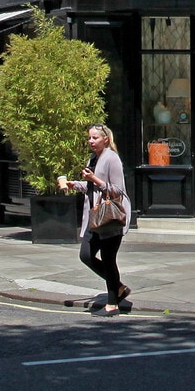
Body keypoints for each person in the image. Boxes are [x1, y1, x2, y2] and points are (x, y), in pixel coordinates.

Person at [62, 124, 131, 314]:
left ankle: (112, 304)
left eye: (95, 138)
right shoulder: (93, 158)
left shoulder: (112, 159)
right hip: (93, 217)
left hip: (109, 217)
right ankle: (119, 287)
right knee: (86, 255)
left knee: (108, 259)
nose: (91, 141)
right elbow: (92, 187)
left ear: (105, 140)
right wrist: (75, 185)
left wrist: (94, 179)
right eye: (89, 138)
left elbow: (117, 190)